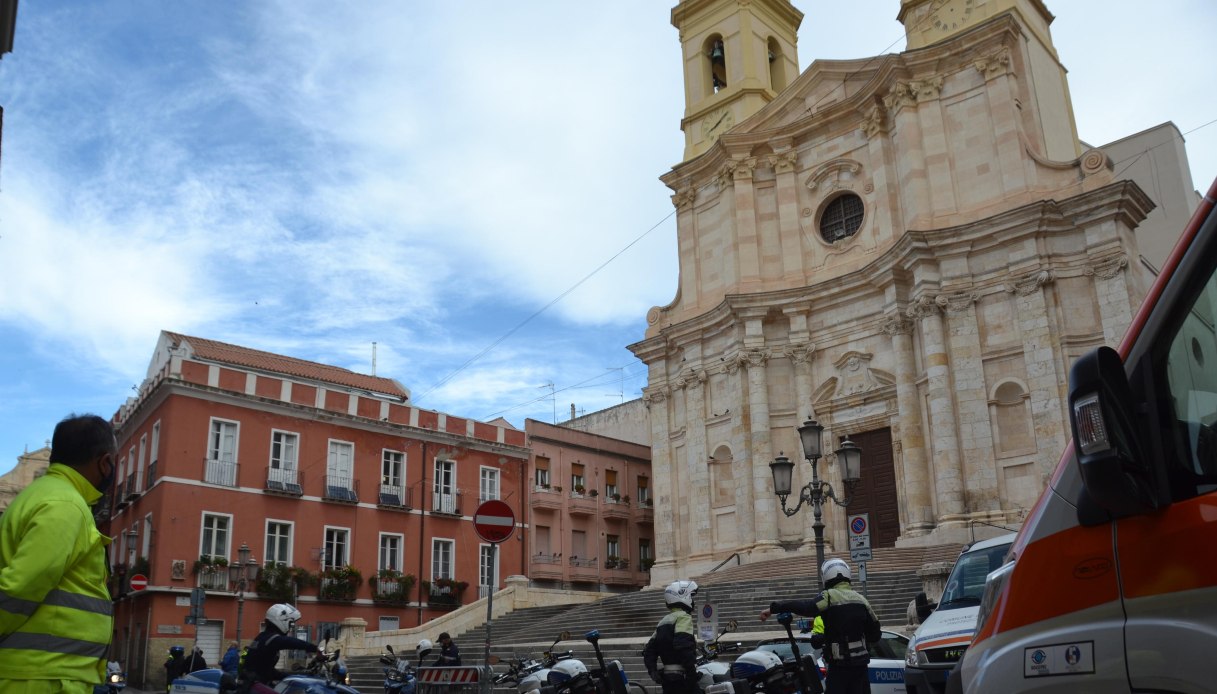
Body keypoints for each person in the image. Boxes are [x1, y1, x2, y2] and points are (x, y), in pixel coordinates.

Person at [0, 414, 117, 693]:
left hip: (40, 672)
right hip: (44, 676)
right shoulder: (65, 505)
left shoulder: (43, 495)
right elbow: (20, 586)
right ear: (104, 463)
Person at [760, 559, 881, 694]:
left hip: (839, 668)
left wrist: (774, 608)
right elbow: (875, 634)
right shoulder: (862, 600)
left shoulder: (828, 596)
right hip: (861, 669)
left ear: (826, 577)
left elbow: (806, 607)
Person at [241, 603, 320, 688]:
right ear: (282, 620)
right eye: (291, 623)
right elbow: (289, 642)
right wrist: (315, 648)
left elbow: (265, 670)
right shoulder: (272, 639)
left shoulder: (262, 637)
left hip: (253, 684)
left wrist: (293, 676)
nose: (290, 628)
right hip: (255, 686)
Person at [643, 580, 699, 694]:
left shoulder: (663, 621)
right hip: (682, 678)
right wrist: (691, 674)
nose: (693, 601)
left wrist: (653, 671)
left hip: (668, 680)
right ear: (683, 596)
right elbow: (683, 645)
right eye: (691, 596)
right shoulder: (683, 617)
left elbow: (649, 650)